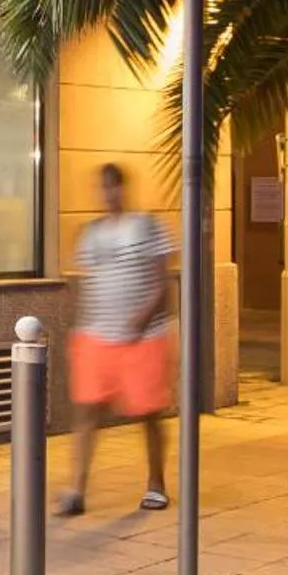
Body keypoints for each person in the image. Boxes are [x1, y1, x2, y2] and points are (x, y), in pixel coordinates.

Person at [59, 162, 174, 517]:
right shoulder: (91, 233)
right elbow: (88, 282)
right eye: (102, 188)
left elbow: (163, 280)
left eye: (114, 187)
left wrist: (144, 314)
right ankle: (77, 489)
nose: (108, 194)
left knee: (148, 413)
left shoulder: (147, 226)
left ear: (124, 189)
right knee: (87, 411)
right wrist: (80, 327)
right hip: (97, 336)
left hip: (143, 338)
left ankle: (156, 484)